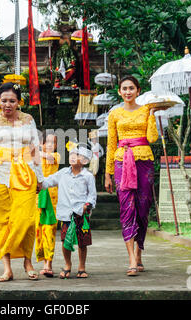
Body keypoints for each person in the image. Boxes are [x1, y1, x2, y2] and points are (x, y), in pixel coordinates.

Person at [0, 82, 44, 282]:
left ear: (19, 102)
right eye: (4, 101)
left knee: (27, 220)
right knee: (1, 220)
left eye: (12, 101)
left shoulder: (28, 120)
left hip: (25, 174)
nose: (7, 104)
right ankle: (7, 268)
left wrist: (41, 177)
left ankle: (27, 261)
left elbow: (35, 149)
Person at [104, 75, 158, 276]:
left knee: (143, 209)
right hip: (121, 162)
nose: (127, 91)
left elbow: (152, 138)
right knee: (127, 208)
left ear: (138, 91)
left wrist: (152, 115)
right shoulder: (114, 114)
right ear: (119, 92)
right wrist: (108, 174)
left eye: (131, 88)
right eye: (124, 88)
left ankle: (139, 252)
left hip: (144, 161)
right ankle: (131, 259)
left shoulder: (146, 110)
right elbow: (111, 144)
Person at [41, 142, 97, 279]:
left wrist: (87, 206)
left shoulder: (88, 176)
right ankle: (67, 265)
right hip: (66, 213)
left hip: (81, 214)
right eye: (72, 154)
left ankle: (82, 267)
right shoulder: (62, 173)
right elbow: (48, 181)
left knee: (82, 242)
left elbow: (92, 195)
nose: (73, 156)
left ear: (84, 160)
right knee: (66, 240)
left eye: (77, 155)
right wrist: (37, 181)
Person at [35, 133, 60, 277]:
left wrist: (39, 151)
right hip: (37, 196)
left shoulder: (56, 156)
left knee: (50, 228)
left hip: (52, 197)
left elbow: (49, 158)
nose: (50, 145)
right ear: (41, 143)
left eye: (53, 142)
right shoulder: (36, 156)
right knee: (39, 229)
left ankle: (48, 263)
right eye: (47, 142)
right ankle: (42, 259)